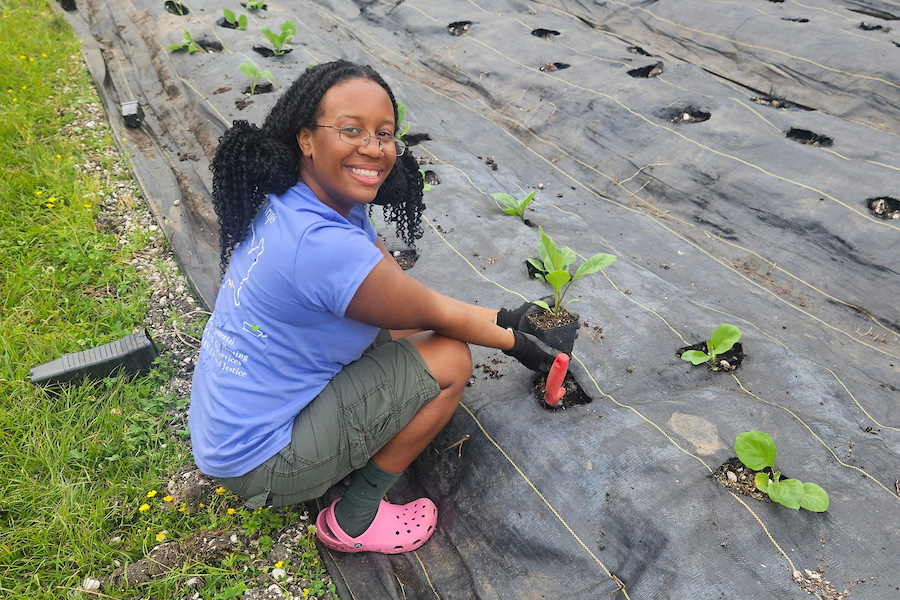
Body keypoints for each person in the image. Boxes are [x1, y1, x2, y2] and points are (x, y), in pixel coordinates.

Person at [188, 60, 557, 555]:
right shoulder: (325, 248)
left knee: (405, 338)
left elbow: (403, 296)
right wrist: (522, 344)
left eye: (385, 134)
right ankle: (353, 520)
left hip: (228, 425)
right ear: (305, 138)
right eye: (350, 130)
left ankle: (340, 455)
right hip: (260, 462)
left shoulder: (299, 198)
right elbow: (433, 314)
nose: (373, 148)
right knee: (450, 361)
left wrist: (507, 318)